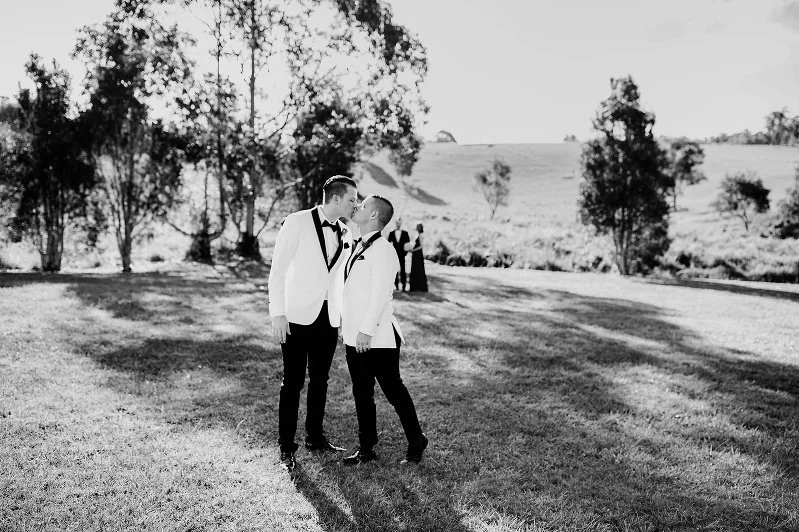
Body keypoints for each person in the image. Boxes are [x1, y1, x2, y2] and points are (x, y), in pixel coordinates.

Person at [268, 175, 358, 472]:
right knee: (292, 383)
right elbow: (278, 270)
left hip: (328, 317)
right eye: (351, 199)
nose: (355, 204)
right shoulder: (296, 222)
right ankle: (286, 447)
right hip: (295, 316)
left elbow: (341, 278)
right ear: (335, 199)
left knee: (320, 380)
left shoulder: (345, 231)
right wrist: (277, 312)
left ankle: (315, 437)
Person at [340, 195, 428, 465]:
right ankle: (367, 447)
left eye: (363, 205)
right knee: (361, 392)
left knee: (393, 391)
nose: (358, 207)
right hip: (354, 335)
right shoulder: (356, 245)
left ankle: (416, 440)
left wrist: (366, 331)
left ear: (375, 216)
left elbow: (380, 295)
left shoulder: (384, 250)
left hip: (378, 336)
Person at [386, 218, 410, 292]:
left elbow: (407, 244)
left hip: (402, 255)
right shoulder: (391, 233)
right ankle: (396, 285)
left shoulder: (405, 233)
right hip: (394, 255)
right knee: (395, 270)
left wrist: (405, 253)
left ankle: (404, 286)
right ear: (395, 224)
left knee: (403, 270)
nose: (398, 224)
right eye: (397, 223)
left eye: (399, 223)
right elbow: (388, 244)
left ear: (401, 224)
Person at [408, 221, 428, 292]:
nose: (415, 227)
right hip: (415, 255)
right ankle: (415, 287)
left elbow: (421, 246)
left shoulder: (421, 235)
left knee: (419, 270)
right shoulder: (418, 235)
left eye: (417, 226)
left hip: (418, 255)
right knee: (415, 270)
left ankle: (420, 287)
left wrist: (413, 250)